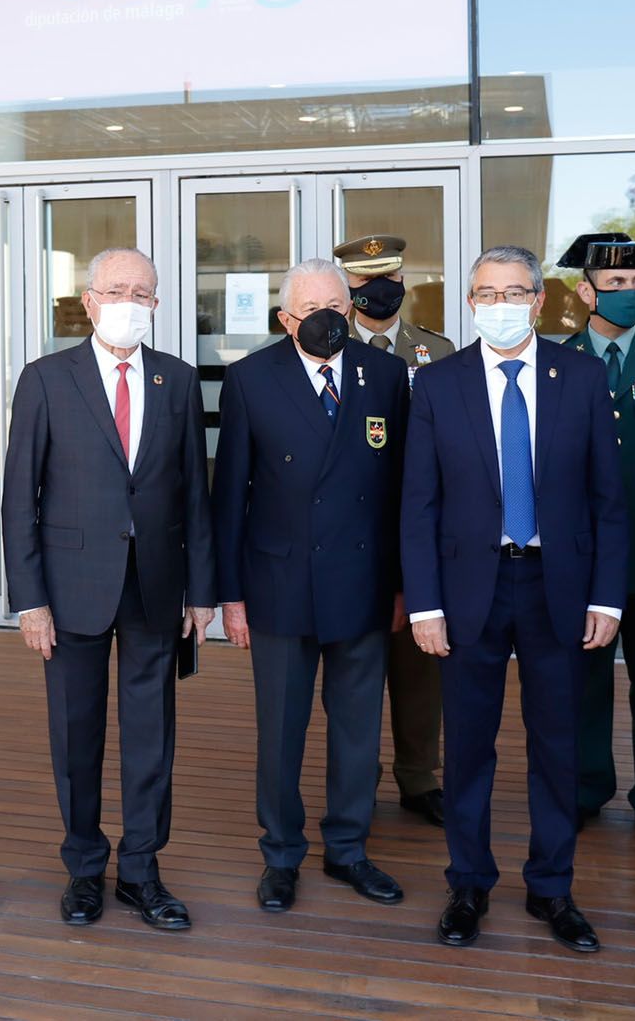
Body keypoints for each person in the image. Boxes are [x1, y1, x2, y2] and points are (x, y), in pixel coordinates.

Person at [401, 245, 626, 953]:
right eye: (485, 292)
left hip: (558, 588)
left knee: (558, 745)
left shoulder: (582, 378)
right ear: (471, 303)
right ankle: (468, 881)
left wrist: (608, 597)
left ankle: (552, 887)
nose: (500, 303)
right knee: (468, 746)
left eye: (514, 291)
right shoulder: (437, 385)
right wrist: (424, 605)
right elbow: (419, 504)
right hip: (470, 589)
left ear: (539, 301)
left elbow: (608, 502)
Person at [2, 246, 214, 932]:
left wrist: (201, 591)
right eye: (117, 289)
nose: (130, 301)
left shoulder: (177, 381)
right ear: (88, 300)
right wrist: (29, 599)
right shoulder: (45, 379)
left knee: (151, 735)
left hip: (156, 586)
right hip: (70, 589)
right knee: (76, 733)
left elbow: (195, 496)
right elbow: (18, 499)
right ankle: (85, 868)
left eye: (143, 292)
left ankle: (143, 870)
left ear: (156, 304)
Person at [213, 259, 409, 914]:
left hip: (364, 579)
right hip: (278, 583)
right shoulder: (248, 380)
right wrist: (230, 593)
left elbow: (402, 489)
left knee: (358, 728)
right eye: (311, 308)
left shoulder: (384, 374)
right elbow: (229, 494)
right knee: (281, 731)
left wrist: (405, 585)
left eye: (337, 303)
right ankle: (282, 853)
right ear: (284, 319)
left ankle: (349, 846)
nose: (328, 316)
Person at [555, 233, 635, 851]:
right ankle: (584, 789)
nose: (629, 295)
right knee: (584, 684)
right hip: (583, 558)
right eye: (615, 286)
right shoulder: (559, 364)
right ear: (586, 292)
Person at [336, 233, 454, 828]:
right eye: (364, 283)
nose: (380, 291)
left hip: (421, 531)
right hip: (352, 531)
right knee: (356, 663)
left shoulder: (438, 350)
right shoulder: (325, 348)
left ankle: (419, 776)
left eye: (390, 279)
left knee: (419, 663)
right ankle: (358, 777)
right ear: (348, 289)